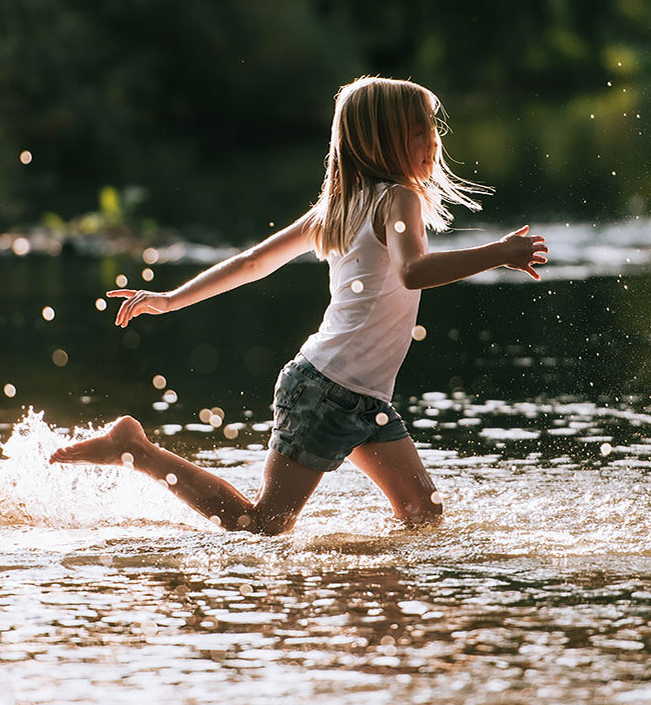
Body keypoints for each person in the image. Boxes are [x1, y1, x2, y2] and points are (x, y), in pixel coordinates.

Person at [51, 77, 547, 533]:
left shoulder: (341, 205)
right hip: (327, 391)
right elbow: (412, 270)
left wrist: (169, 299)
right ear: (385, 140)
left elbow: (251, 263)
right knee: (262, 526)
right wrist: (498, 253)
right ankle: (136, 449)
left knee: (423, 516)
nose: (433, 142)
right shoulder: (396, 200)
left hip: (361, 397)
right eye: (420, 131)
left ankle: (381, 600)